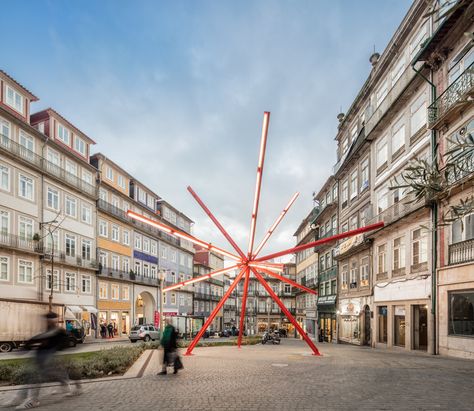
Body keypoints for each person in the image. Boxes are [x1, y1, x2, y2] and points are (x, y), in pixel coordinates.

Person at [8, 312, 82, 409]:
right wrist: (26, 348)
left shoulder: (59, 331)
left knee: (36, 376)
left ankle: (32, 400)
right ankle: (21, 398)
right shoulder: (51, 330)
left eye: (49, 320)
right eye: (47, 320)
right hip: (46, 358)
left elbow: (50, 339)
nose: (47, 322)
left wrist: (50, 349)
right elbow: (39, 339)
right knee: (53, 374)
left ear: (54, 320)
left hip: (50, 357)